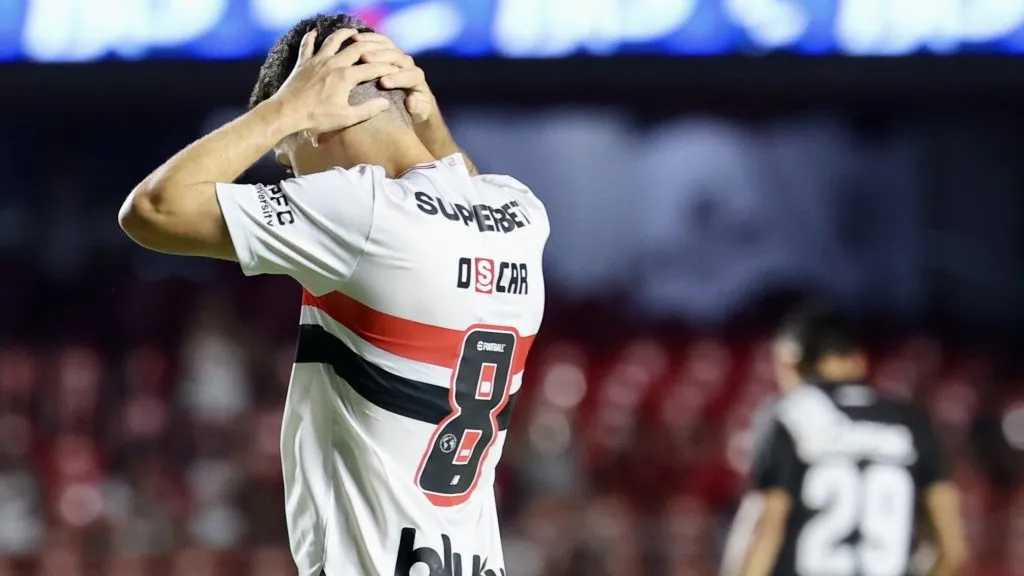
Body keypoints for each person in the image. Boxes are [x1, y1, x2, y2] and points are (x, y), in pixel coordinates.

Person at [118, 13, 547, 576]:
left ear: (319, 123)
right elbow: (457, 186)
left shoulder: (361, 211)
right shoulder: (518, 212)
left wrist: (285, 109)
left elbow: (151, 210)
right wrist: (429, 121)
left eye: (290, 160)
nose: (296, 178)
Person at [721, 305, 967, 576]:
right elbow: (952, 549)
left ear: (789, 362)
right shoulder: (912, 422)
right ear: (859, 360)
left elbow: (765, 529)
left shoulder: (791, 413)